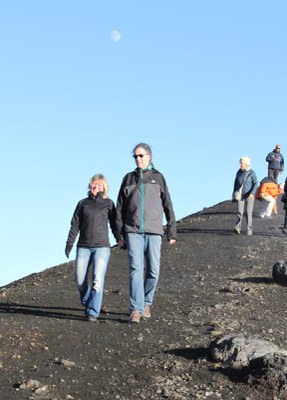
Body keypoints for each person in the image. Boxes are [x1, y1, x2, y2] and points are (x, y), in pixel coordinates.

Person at [116, 143, 177, 323]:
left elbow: (168, 205)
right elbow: (119, 209)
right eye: (135, 156)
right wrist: (119, 235)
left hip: (154, 231)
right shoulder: (128, 178)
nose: (138, 159)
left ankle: (147, 302)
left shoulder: (159, 178)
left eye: (141, 156)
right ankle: (136, 309)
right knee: (135, 269)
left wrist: (171, 231)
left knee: (153, 270)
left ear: (149, 156)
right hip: (132, 230)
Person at [65, 174, 120, 322]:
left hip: (102, 247)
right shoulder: (82, 203)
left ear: (104, 187)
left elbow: (115, 224)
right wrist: (69, 243)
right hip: (83, 246)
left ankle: (93, 312)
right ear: (89, 186)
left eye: (99, 185)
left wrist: (119, 239)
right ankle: (88, 301)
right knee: (79, 280)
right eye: (93, 184)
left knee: (97, 280)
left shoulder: (109, 203)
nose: (96, 187)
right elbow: (75, 225)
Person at [232, 156, 258, 236]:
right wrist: (234, 193)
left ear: (246, 163)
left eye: (241, 162)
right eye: (240, 162)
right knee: (239, 211)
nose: (240, 164)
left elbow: (255, 184)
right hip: (240, 195)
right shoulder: (238, 172)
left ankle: (249, 229)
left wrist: (252, 193)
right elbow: (235, 183)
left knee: (248, 212)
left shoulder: (252, 173)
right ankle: (237, 228)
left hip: (249, 196)